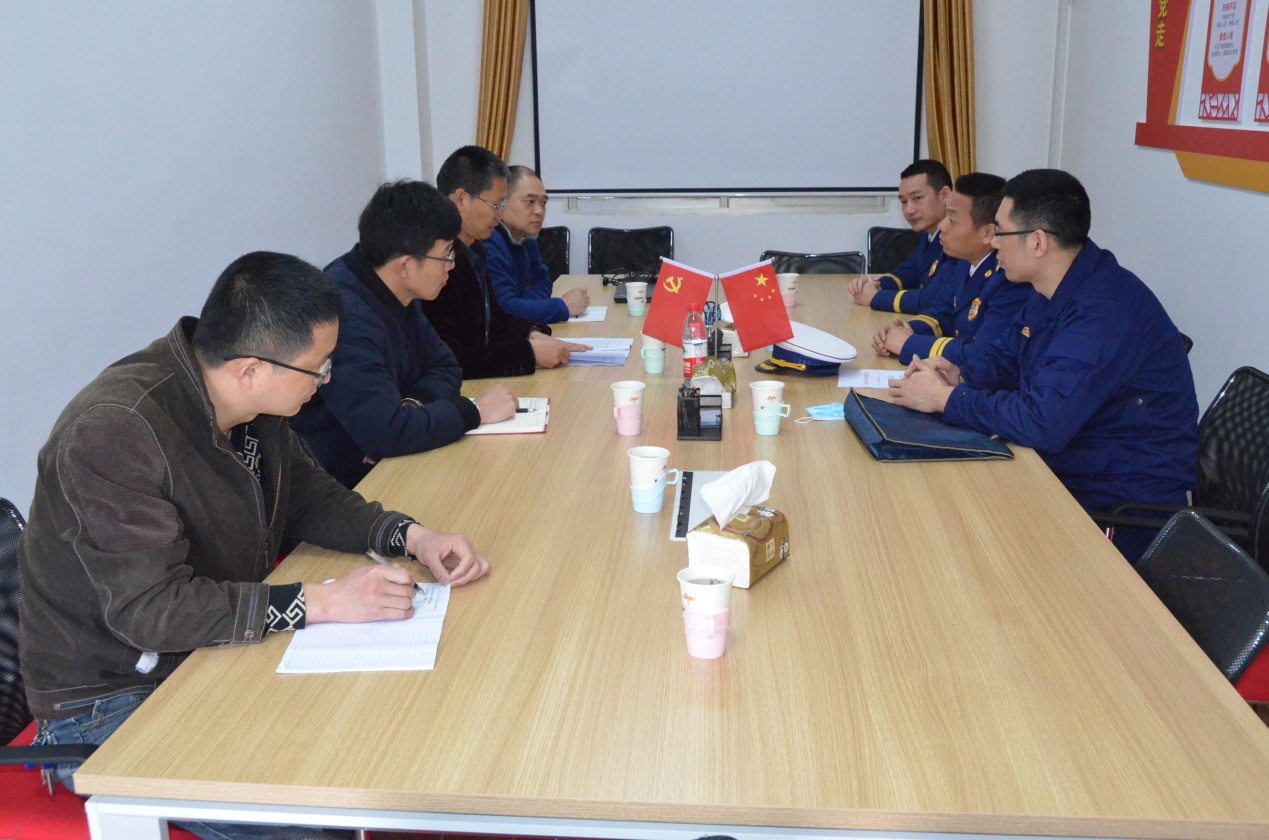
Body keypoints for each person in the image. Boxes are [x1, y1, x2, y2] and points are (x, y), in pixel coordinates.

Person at [18, 252, 490, 840]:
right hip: (112, 699)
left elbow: (310, 498)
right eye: (318, 367)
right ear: (251, 369)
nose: (326, 379)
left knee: (377, 742)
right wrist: (323, 601)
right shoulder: (116, 430)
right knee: (315, 818)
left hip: (206, 651)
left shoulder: (250, 402)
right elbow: (152, 611)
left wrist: (414, 537)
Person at [888, 169, 1199, 561]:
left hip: (1117, 510)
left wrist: (946, 399)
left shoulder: (1103, 311)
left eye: (1000, 232)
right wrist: (960, 374)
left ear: (1037, 242)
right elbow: (1006, 357)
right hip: (1063, 470)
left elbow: (1041, 422)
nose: (992, 242)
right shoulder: (1051, 285)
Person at [292, 180, 518, 488]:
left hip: (394, 460)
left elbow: (446, 366)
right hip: (343, 482)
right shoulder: (343, 316)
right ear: (405, 266)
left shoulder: (393, 287)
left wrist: (411, 405)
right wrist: (473, 411)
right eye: (446, 254)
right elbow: (385, 435)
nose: (451, 266)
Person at [422, 146, 586, 378]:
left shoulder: (475, 248)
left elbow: (496, 320)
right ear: (461, 200)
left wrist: (531, 333)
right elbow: (450, 356)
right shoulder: (433, 261)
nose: (500, 215)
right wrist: (528, 353)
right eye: (496, 205)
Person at [872, 172, 1031, 366]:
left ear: (988, 233)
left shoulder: (1010, 279)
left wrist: (910, 344)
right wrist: (907, 330)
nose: (942, 225)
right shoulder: (965, 263)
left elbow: (982, 354)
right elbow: (942, 312)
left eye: (952, 220)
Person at [485, 165, 587, 323]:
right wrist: (562, 307)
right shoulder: (489, 241)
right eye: (530, 202)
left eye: (543, 203)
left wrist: (524, 306)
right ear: (502, 204)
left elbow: (543, 281)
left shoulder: (526, 236)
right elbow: (504, 309)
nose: (539, 211)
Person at [849, 159, 953, 313]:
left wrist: (876, 297)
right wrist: (877, 285)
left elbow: (934, 299)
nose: (909, 210)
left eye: (917, 198)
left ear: (944, 195)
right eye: (904, 202)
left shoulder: (959, 241)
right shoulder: (929, 234)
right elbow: (910, 271)